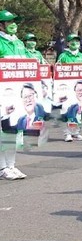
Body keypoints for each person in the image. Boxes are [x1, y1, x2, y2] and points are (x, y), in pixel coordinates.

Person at [0, 10, 29, 180]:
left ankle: (11, 165)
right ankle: (2, 167)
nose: (13, 25)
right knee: (3, 130)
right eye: (9, 22)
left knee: (15, 130)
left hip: (17, 93)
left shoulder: (19, 43)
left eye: (14, 21)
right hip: (3, 93)